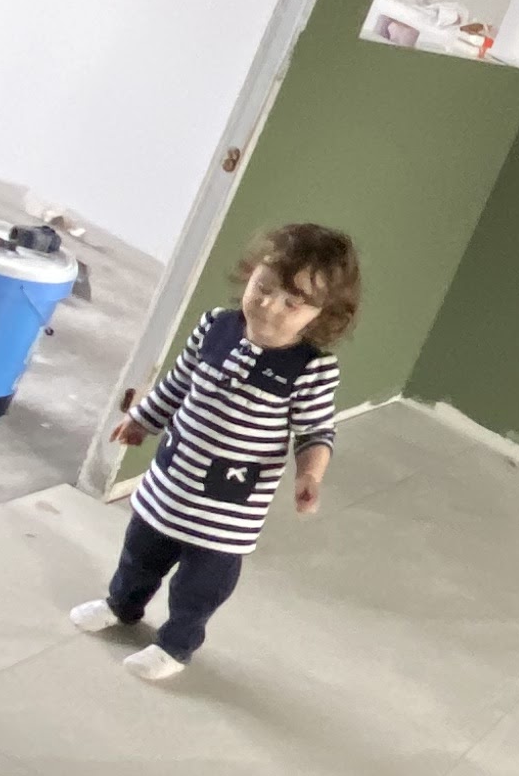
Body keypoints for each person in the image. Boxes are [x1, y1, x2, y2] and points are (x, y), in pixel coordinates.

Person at [70, 222, 357, 681]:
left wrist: (310, 475)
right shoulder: (216, 327)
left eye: (292, 302)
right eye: (263, 287)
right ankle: (122, 604)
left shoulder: (310, 370)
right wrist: (143, 419)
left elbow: (315, 431)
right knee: (140, 551)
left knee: (200, 585)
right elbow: (178, 384)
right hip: (170, 482)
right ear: (250, 276)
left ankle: (176, 643)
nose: (269, 305)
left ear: (321, 316)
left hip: (227, 510)